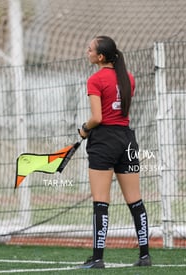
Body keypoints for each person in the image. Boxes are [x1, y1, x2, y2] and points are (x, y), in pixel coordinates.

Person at [77, 36, 151, 268]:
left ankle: (98, 259)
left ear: (100, 57)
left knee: (101, 203)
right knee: (135, 201)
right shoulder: (128, 78)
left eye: (90, 49)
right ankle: (145, 255)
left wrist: (84, 130)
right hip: (127, 139)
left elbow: (98, 118)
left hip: (104, 141)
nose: (86, 51)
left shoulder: (95, 80)